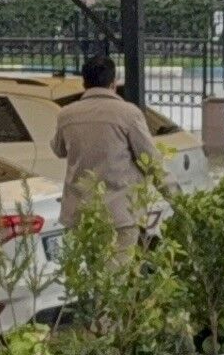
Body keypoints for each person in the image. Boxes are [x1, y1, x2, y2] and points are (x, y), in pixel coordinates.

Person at [51, 54, 161, 235]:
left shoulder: (66, 114)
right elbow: (152, 161)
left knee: (90, 264)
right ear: (113, 84)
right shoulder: (128, 114)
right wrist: (177, 200)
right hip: (120, 217)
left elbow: (58, 149)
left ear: (84, 84)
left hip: (80, 216)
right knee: (120, 263)